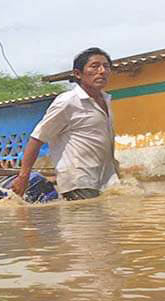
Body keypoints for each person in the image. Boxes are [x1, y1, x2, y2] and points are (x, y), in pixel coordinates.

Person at [12, 47, 120, 200]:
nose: (102, 71)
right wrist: (23, 177)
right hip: (79, 181)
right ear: (78, 73)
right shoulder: (68, 101)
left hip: (105, 180)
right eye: (95, 66)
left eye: (106, 66)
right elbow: (37, 138)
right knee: (88, 223)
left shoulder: (106, 100)